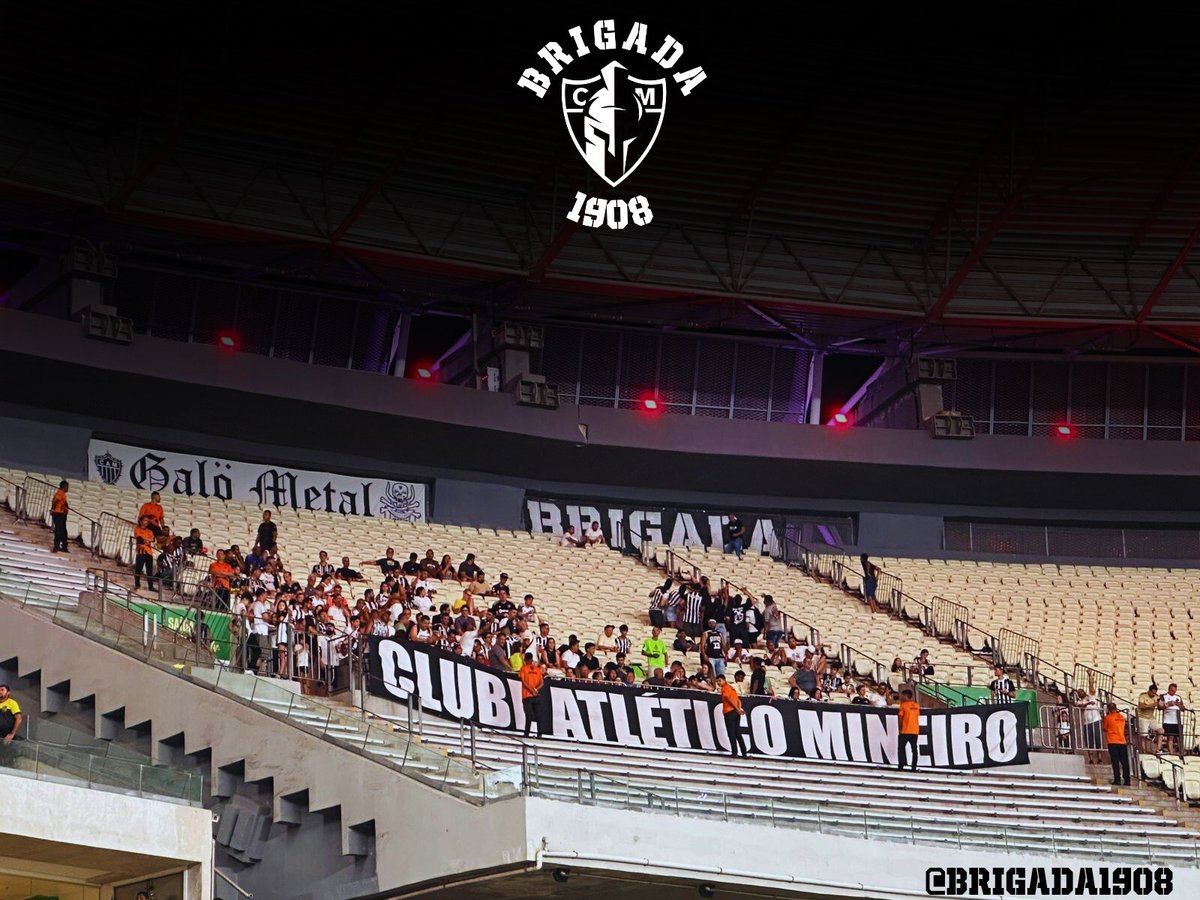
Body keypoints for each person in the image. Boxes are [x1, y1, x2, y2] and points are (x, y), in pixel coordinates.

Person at [717, 674, 748, 758]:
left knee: (731, 733)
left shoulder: (724, 689)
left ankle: (735, 752)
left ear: (724, 680)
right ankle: (744, 753)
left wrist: (736, 708)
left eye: (719, 680)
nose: (718, 683)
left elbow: (728, 699)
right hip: (736, 712)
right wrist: (739, 708)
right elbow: (738, 700)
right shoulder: (731, 688)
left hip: (729, 712)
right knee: (738, 733)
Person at [1102, 702, 1131, 786]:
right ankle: (1127, 780)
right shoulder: (1121, 717)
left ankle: (1117, 779)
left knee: (1115, 762)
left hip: (1112, 741)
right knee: (1124, 762)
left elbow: (1104, 728)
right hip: (1122, 741)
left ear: (1109, 710)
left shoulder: (1108, 718)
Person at [519, 653, 544, 737]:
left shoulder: (523, 668)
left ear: (525, 660)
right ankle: (539, 734)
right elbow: (542, 683)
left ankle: (526, 734)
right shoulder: (537, 669)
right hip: (536, 695)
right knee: (539, 715)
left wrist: (531, 690)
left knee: (529, 715)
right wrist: (536, 690)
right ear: (532, 659)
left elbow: (523, 682)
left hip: (527, 695)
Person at [897, 689, 921, 771]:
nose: (901, 697)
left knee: (901, 748)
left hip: (905, 730)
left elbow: (900, 718)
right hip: (915, 730)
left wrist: (900, 728)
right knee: (914, 749)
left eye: (902, 696)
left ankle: (901, 765)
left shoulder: (903, 705)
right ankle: (913, 767)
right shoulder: (917, 705)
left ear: (906, 696)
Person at [133, 515, 158, 592]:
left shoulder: (149, 531)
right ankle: (137, 584)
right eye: (145, 520)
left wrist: (147, 540)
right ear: (140, 521)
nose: (147, 522)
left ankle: (151, 586)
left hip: (149, 552)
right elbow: (140, 539)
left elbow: (153, 540)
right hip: (141, 551)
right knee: (138, 569)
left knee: (149, 570)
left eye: (147, 521)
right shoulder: (137, 529)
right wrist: (148, 540)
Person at [1160, 683, 1186, 755]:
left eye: (1174, 691)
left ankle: (1181, 752)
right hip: (1168, 720)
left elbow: (1183, 708)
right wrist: (1168, 704)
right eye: (1172, 690)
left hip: (1177, 720)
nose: (1173, 692)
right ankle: (1171, 753)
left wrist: (1179, 705)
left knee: (1179, 737)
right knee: (1170, 737)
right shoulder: (1164, 696)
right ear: (1169, 689)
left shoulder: (1178, 697)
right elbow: (1160, 707)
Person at [1136, 684, 1162, 753]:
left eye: (1155, 693)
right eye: (1152, 692)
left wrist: (1161, 704)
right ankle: (1144, 751)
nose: (1153, 694)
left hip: (1151, 718)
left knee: (1161, 731)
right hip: (1142, 717)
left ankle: (1158, 749)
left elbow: (1160, 708)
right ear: (1149, 691)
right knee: (1144, 735)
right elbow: (1141, 706)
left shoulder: (1156, 697)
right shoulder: (1143, 696)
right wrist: (1153, 705)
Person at [50, 480, 69, 553]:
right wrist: (53, 509)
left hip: (62, 514)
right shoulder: (60, 493)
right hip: (58, 514)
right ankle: (56, 547)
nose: (68, 488)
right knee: (59, 530)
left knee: (63, 531)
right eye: (67, 487)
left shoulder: (63, 494)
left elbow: (64, 503)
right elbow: (55, 500)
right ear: (64, 487)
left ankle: (64, 547)